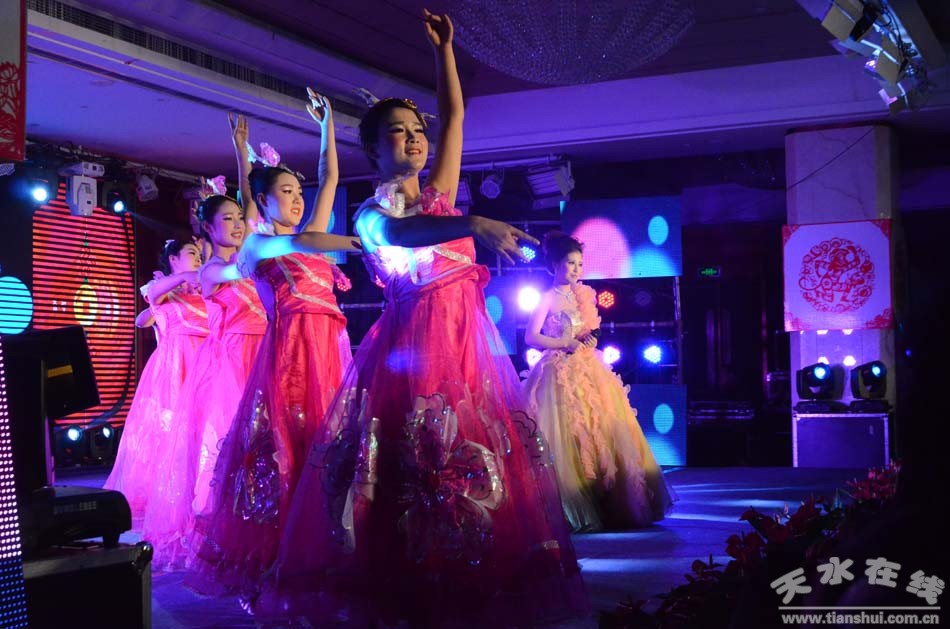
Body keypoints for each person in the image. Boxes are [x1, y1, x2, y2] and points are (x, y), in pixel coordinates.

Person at [259, 12, 588, 626]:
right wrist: (473, 222)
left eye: (416, 132)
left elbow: (455, 118)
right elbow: (401, 235)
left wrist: (445, 53)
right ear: (373, 149)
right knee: (416, 462)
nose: (413, 140)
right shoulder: (370, 216)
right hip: (412, 352)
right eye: (397, 133)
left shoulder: (439, 192)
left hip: (467, 347)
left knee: (481, 461)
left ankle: (475, 577)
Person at [187, 90, 361, 597]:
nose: (298, 198)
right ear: (262, 202)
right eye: (286, 191)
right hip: (290, 356)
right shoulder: (262, 244)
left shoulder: (312, 228)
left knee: (333, 449)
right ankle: (284, 549)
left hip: (331, 352)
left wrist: (328, 126)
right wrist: (355, 242)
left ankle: (326, 543)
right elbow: (303, 241)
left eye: (298, 191)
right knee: (289, 448)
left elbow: (330, 178)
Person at [141, 192, 266, 571]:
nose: (238, 224)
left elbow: (251, 213)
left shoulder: (243, 263)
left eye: (239, 218)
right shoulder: (211, 271)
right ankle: (217, 519)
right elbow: (148, 306)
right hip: (225, 363)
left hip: (260, 353)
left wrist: (245, 166)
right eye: (227, 219)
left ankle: (259, 517)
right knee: (224, 442)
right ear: (207, 229)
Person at [522, 231, 673, 532]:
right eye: (570, 263)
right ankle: (572, 504)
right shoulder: (547, 298)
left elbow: (587, 331)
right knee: (567, 434)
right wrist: (563, 342)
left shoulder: (583, 295)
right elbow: (530, 337)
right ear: (554, 264)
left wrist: (588, 341)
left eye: (579, 263)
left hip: (588, 367)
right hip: (558, 372)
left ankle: (611, 501)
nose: (576, 269)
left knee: (602, 431)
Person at [104, 238, 207, 524]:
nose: (198, 259)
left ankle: (200, 490)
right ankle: (170, 492)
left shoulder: (204, 289)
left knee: (202, 427)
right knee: (173, 430)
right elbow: (142, 318)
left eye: (200, 255)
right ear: (173, 259)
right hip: (175, 366)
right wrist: (183, 279)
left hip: (205, 362)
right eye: (191, 253)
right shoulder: (162, 290)